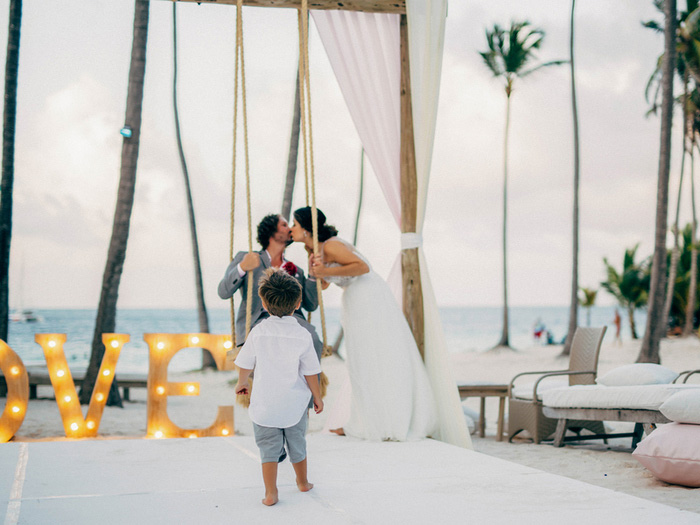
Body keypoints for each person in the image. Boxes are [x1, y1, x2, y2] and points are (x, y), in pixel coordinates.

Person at [291, 206, 437, 442]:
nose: (291, 229)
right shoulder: (319, 250)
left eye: (294, 224)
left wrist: (324, 269)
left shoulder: (330, 245)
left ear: (307, 229)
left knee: (372, 356)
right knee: (362, 360)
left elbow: (362, 267)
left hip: (367, 297)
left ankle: (379, 422)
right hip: (356, 298)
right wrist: (316, 271)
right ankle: (364, 421)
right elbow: (328, 282)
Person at [234, 268, 324, 507]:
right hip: (294, 406)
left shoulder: (258, 332)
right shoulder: (303, 335)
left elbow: (245, 362)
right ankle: (302, 482)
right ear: (297, 304)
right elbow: (310, 372)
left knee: (268, 450)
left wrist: (242, 382)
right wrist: (317, 397)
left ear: (263, 302)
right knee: (298, 445)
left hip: (265, 406)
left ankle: (271, 493)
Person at [217, 213, 322, 360]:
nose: (290, 229)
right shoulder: (246, 258)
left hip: (293, 321)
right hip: (259, 320)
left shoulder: (297, 270)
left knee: (313, 340)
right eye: (285, 225)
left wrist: (312, 276)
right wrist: (242, 267)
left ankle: (309, 382)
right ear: (272, 232)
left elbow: (311, 305)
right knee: (262, 348)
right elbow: (223, 292)